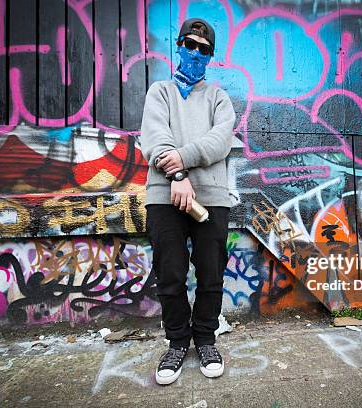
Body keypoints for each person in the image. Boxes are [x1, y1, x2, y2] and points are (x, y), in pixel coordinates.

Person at [139, 18, 236, 386]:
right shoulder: (159, 92)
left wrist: (182, 159)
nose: (195, 52)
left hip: (212, 197)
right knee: (171, 274)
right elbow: (154, 138)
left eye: (204, 48)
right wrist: (177, 176)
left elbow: (220, 141)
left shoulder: (218, 98)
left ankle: (206, 338)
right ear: (178, 45)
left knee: (211, 272)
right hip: (164, 196)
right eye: (190, 44)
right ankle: (178, 341)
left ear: (211, 56)